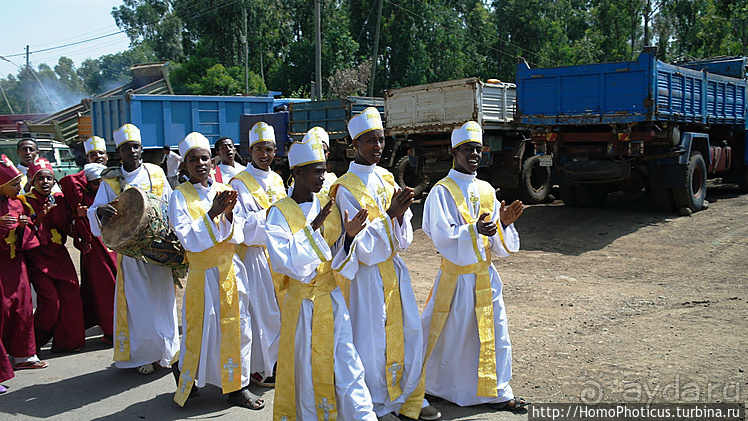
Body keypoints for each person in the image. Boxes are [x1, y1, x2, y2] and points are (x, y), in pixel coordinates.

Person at [331, 108, 440, 421]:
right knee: (372, 340)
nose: (377, 146)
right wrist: (390, 216)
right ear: (355, 144)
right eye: (369, 141)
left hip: (393, 271)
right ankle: (378, 403)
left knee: (407, 333)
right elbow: (360, 247)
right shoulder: (345, 188)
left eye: (380, 140)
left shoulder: (388, 177)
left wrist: (400, 216)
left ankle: (407, 397)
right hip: (365, 277)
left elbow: (404, 236)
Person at [267, 129, 376, 420]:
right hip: (302, 306)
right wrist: (312, 229)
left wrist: (349, 237)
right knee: (306, 369)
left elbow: (336, 256)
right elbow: (287, 263)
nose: (322, 177)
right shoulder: (278, 213)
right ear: (297, 172)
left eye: (324, 171)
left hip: (331, 300)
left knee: (347, 363)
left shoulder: (325, 206)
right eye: (316, 172)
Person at [420, 121, 528, 411]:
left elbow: (497, 242)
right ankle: (435, 386)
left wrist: (503, 223)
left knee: (495, 334)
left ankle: (497, 391)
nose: (474, 154)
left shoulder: (486, 189)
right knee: (449, 336)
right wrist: (474, 231)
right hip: (455, 278)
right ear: (453, 152)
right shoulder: (442, 191)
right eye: (468, 149)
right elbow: (442, 236)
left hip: (484, 276)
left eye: (478, 149)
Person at [169, 132, 264, 410]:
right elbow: (187, 238)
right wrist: (212, 214)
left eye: (204, 158)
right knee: (203, 330)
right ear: (184, 165)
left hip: (230, 270)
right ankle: (184, 367)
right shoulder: (180, 196)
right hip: (204, 275)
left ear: (212, 162)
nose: (200, 163)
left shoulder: (221, 191)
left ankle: (237, 386)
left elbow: (239, 233)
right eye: (193, 159)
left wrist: (231, 214)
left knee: (239, 328)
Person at [87, 123, 179, 375]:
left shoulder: (156, 172)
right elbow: (95, 210)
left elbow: (171, 204)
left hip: (159, 250)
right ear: (120, 152)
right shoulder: (111, 180)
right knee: (139, 305)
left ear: (141, 148)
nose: (133, 151)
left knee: (163, 301)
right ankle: (144, 357)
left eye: (136, 146)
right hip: (131, 253)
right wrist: (98, 211)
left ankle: (168, 353)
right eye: (127, 148)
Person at [230, 121, 285, 387]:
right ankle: (260, 368)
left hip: (279, 254)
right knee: (261, 314)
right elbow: (240, 226)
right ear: (249, 151)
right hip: (254, 257)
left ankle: (278, 361)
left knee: (279, 310)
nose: (265, 155)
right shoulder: (239, 182)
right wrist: (271, 218)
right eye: (259, 149)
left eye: (270, 149)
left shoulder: (276, 179)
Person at [23, 157, 86, 353]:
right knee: (50, 302)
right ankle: (32, 344)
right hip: (38, 258)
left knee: (71, 295)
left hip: (59, 256)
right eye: (40, 178)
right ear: (32, 181)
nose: (45, 182)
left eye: (49, 178)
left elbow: (69, 224)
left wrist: (79, 216)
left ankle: (67, 342)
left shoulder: (59, 201)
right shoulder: (24, 202)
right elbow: (23, 231)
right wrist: (39, 218)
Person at [58, 136, 116, 344]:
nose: (97, 157)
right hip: (97, 246)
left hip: (118, 244)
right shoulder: (79, 190)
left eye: (100, 154)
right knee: (104, 288)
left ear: (107, 156)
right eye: (92, 155)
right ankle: (110, 328)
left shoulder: (116, 180)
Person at [0, 154, 48, 370]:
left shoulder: (18, 204)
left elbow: (28, 234)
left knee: (23, 307)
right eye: (13, 184)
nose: (19, 187)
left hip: (16, 264)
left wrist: (22, 226)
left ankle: (24, 354)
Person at [286, 127, 338, 197]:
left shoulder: (333, 180)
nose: (320, 155)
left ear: (328, 154)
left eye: (323, 151)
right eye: (317, 172)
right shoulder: (300, 182)